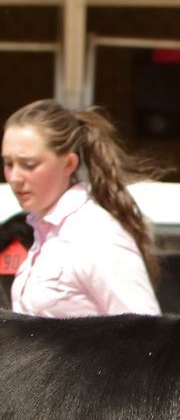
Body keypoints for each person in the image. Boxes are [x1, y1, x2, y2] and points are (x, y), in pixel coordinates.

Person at [2, 99, 161, 317]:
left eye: (29, 164)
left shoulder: (96, 235)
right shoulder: (45, 232)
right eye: (8, 164)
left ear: (68, 164)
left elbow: (148, 335)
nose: (14, 178)